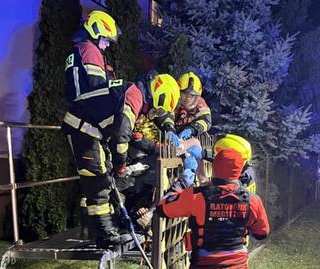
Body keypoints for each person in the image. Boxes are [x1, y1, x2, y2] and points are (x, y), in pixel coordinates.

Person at [61, 68, 180, 247]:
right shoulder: (135, 97)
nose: (154, 113)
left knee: (106, 179)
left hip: (92, 130)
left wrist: (153, 147)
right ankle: (105, 236)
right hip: (83, 129)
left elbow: (131, 134)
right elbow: (121, 136)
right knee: (98, 181)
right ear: (159, 95)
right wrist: (121, 164)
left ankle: (104, 229)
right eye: (157, 109)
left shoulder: (135, 94)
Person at [157, 137, 269, 269]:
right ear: (239, 170)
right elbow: (261, 233)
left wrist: (183, 183)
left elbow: (163, 208)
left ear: (214, 166)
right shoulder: (252, 200)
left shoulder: (196, 196)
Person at [65, 10, 119, 103]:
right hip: (88, 112)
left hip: (77, 108)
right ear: (96, 32)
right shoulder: (90, 50)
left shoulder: (79, 49)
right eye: (106, 40)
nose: (108, 45)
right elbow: (98, 89)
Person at [174, 72, 212, 140]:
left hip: (191, 133)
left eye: (192, 96)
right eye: (185, 94)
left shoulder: (200, 103)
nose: (188, 99)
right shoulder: (172, 100)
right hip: (170, 133)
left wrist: (192, 129)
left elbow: (206, 121)